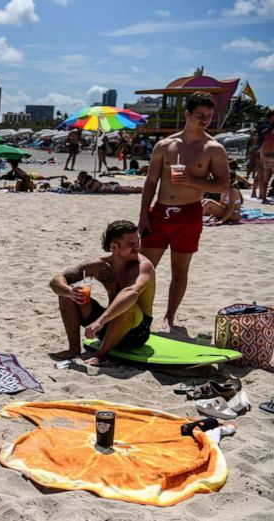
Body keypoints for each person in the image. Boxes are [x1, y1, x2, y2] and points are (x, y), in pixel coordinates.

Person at [139, 92, 230, 331]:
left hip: (189, 215)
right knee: (144, 267)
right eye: (200, 115)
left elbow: (222, 185)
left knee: (179, 271)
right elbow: (150, 182)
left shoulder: (213, 148)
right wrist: (143, 214)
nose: (205, 120)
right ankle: (140, 313)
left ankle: (169, 317)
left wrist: (192, 181)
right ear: (187, 114)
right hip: (160, 211)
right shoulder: (165, 145)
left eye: (209, 116)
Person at [50, 220, 156, 367]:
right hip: (107, 326)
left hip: (135, 332)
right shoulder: (99, 265)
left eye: (138, 241)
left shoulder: (143, 266)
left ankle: (101, 356)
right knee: (67, 296)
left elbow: (131, 292)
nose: (137, 247)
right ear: (114, 246)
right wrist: (69, 291)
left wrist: (100, 322)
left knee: (128, 305)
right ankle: (73, 349)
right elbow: (56, 280)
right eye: (131, 244)